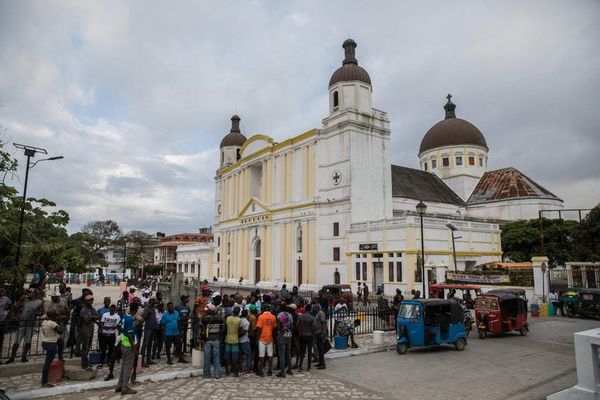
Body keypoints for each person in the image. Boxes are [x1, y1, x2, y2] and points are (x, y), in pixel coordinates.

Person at [6, 288, 43, 364]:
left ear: (34, 294)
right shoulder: (25, 301)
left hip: (30, 324)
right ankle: (12, 357)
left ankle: (24, 356)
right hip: (22, 324)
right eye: (28, 292)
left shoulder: (39, 302)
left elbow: (41, 312)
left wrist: (35, 313)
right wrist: (20, 300)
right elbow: (16, 308)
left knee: (28, 341)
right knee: (16, 341)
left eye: (30, 292)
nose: (28, 294)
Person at [115, 303, 138, 395]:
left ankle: (120, 385)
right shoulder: (131, 319)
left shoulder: (124, 316)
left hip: (123, 344)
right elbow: (129, 334)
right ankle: (125, 387)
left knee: (124, 366)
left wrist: (123, 332)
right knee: (128, 367)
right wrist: (134, 348)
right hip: (129, 346)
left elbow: (118, 326)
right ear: (135, 310)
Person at [200, 303, 223, 379]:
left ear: (210, 311)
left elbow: (202, 321)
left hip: (208, 339)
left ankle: (206, 374)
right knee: (216, 357)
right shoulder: (219, 318)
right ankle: (217, 374)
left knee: (207, 358)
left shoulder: (206, 318)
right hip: (216, 339)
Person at [40, 310, 63, 387]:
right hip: (51, 344)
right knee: (47, 363)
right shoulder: (52, 323)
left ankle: (61, 358)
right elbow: (60, 331)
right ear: (53, 316)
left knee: (60, 342)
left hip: (45, 342)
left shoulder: (44, 322)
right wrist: (61, 322)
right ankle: (44, 381)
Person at [46, 290, 69, 361]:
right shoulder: (50, 304)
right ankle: (55, 353)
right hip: (53, 324)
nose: (52, 298)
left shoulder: (63, 302)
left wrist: (65, 318)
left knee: (64, 338)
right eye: (52, 297)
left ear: (57, 297)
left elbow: (67, 311)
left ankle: (61, 353)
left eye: (53, 297)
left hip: (62, 323)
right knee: (54, 339)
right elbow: (48, 313)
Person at [256, 303, 276, 377]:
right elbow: (274, 329)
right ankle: (269, 370)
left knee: (262, 355)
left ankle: (261, 370)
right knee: (270, 355)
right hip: (270, 338)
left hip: (262, 338)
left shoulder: (261, 317)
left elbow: (259, 329)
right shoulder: (273, 317)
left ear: (263, 309)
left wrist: (257, 339)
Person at [79, 294, 98, 370]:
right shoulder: (84, 309)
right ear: (86, 301)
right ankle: (84, 363)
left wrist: (91, 317)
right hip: (85, 330)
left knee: (88, 347)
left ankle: (86, 362)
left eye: (92, 300)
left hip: (91, 329)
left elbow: (97, 316)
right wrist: (92, 317)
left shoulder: (92, 309)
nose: (91, 301)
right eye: (89, 300)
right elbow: (86, 320)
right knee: (85, 347)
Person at [98, 304, 120, 369]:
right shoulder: (105, 315)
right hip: (104, 334)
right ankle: (101, 362)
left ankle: (109, 362)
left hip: (112, 335)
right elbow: (101, 323)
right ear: (109, 309)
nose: (112, 310)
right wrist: (103, 327)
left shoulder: (117, 317)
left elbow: (117, 326)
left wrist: (112, 327)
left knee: (111, 350)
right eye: (111, 309)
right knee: (103, 350)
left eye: (113, 309)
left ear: (115, 310)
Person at [276, 303, 294, 378]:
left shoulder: (279, 315)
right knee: (288, 353)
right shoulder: (290, 315)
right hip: (289, 335)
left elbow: (279, 326)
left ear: (280, 308)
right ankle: (290, 369)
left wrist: (280, 333)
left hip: (282, 335)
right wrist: (289, 332)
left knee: (282, 354)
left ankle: (282, 372)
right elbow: (292, 326)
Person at [224, 306, 242, 376]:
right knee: (235, 357)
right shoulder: (239, 320)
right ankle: (235, 371)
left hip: (227, 338)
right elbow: (240, 331)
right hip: (235, 339)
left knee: (227, 356)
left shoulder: (228, 318)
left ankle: (227, 371)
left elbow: (225, 328)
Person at [141, 298, 158, 367]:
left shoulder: (153, 309)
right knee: (145, 344)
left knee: (150, 344)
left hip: (153, 328)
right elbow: (143, 317)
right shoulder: (147, 308)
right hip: (147, 329)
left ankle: (148, 359)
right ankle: (142, 360)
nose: (154, 302)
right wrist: (148, 308)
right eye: (152, 301)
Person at [312, 303, 327, 370]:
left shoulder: (321, 313)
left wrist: (323, 333)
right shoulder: (317, 313)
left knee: (321, 349)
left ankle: (323, 364)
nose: (313, 309)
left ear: (317, 307)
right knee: (318, 348)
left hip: (320, 333)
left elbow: (323, 323)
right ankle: (320, 362)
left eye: (314, 307)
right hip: (317, 333)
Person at [0, 287, 12, 364]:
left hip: (1, 322)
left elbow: (10, 305)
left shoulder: (5, 299)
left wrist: (7, 312)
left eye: (1, 290)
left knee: (0, 340)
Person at [239, 309, 252, 374]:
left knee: (240, 355)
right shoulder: (247, 322)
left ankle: (240, 368)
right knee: (249, 355)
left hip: (239, 341)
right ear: (247, 315)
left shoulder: (239, 320)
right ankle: (248, 369)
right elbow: (244, 332)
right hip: (245, 340)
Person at [247, 304, 260, 373]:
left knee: (250, 353)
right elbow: (254, 328)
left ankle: (249, 366)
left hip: (249, 335)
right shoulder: (254, 318)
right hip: (253, 336)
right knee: (255, 353)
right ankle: (254, 367)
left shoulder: (248, 316)